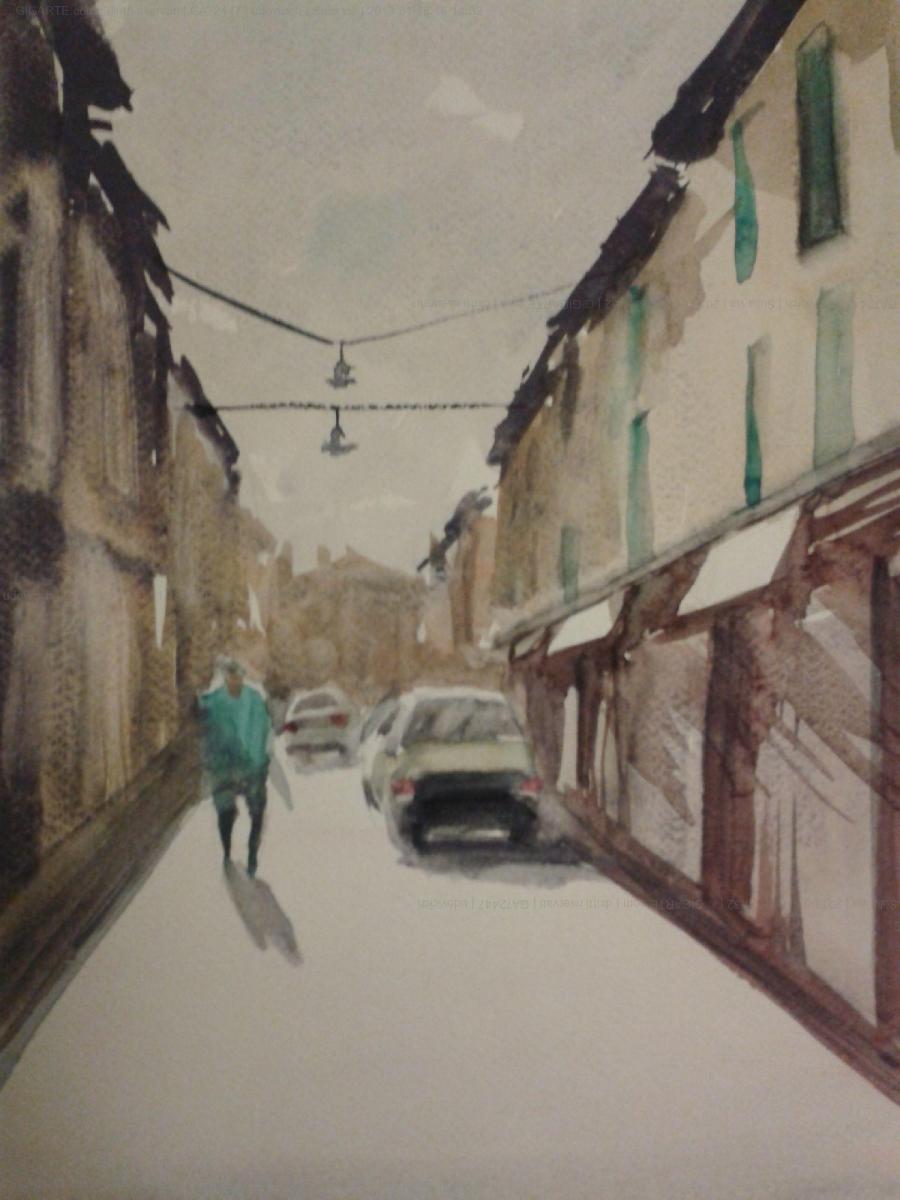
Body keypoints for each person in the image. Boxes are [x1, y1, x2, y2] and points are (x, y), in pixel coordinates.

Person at [198, 659, 272, 875]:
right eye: (231, 677)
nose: (235, 681)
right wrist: (210, 763)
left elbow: (262, 730)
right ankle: (227, 850)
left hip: (252, 767)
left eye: (238, 677)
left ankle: (252, 854)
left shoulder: (254, 700)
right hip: (224, 767)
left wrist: (260, 760)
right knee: (225, 813)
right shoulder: (214, 702)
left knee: (257, 812)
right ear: (225, 678)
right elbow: (207, 735)